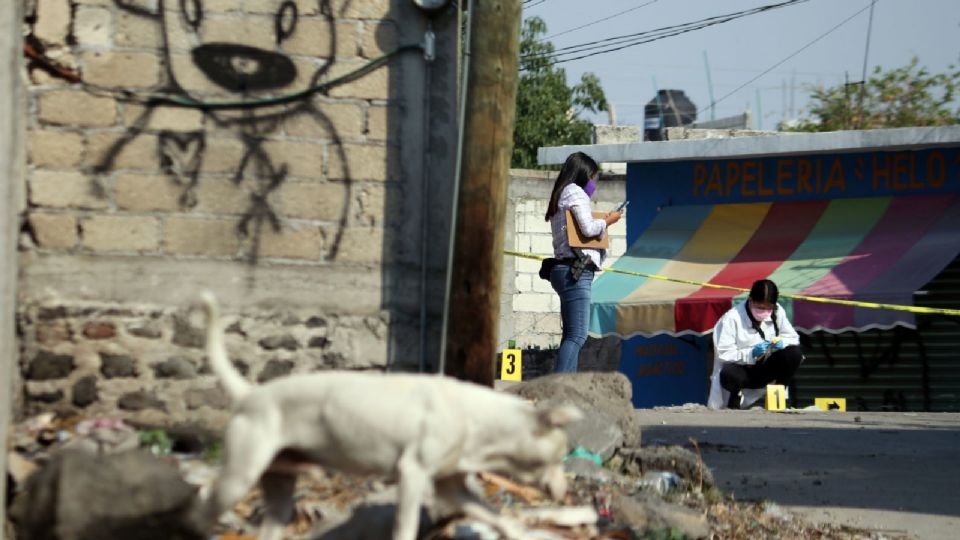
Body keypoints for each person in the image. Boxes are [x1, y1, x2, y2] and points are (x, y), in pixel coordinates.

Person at [544, 152, 622, 373]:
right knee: (578, 335)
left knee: (571, 335)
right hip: (576, 270)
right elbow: (588, 229)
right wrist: (608, 221)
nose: (594, 182)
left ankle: (565, 387)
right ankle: (561, 388)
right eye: (592, 176)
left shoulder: (561, 193)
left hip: (565, 268)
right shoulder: (576, 193)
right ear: (583, 174)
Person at [708, 279, 804, 409]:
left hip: (765, 368)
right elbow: (724, 354)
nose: (764, 311)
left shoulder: (777, 311)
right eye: (759, 307)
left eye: (768, 307)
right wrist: (750, 353)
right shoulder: (732, 318)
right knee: (728, 373)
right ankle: (735, 398)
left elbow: (793, 338)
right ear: (750, 299)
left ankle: (779, 395)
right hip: (743, 371)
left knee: (794, 353)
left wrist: (782, 342)